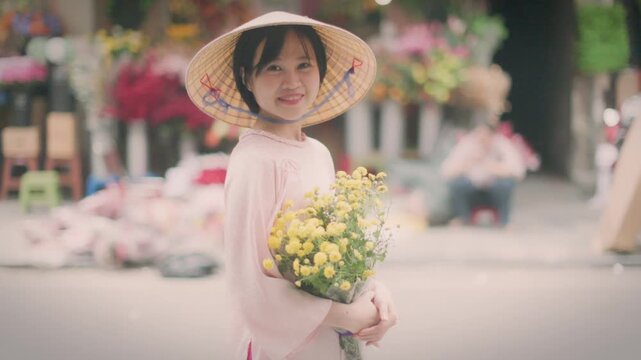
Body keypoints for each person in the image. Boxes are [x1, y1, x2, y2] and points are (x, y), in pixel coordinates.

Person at [185, 12, 396, 360]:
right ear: (246, 79)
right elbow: (252, 288)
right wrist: (347, 314)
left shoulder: (318, 153)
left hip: (329, 343)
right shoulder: (254, 161)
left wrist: (375, 292)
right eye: (273, 68)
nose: (292, 82)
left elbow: (340, 250)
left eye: (304, 65)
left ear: (321, 72)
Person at [441, 120, 526, 226]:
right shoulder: (467, 144)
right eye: (478, 134)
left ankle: (504, 220)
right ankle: (462, 218)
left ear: (492, 135)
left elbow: (518, 171)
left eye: (485, 135)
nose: (481, 138)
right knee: (457, 184)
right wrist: (468, 164)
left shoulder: (501, 144)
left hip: (495, 190)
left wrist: (492, 166)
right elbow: (446, 170)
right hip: (471, 190)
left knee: (506, 184)